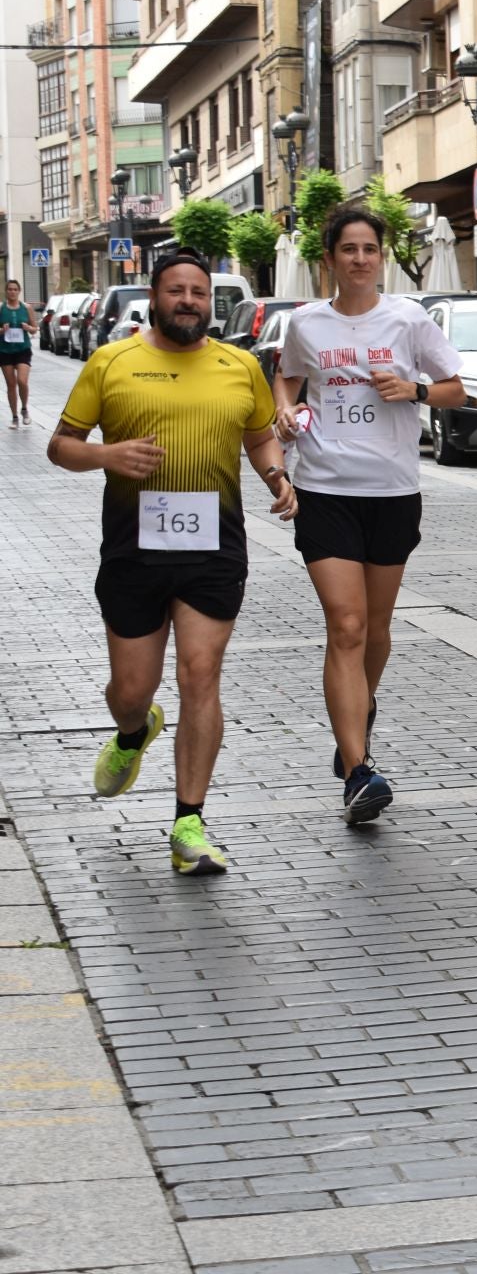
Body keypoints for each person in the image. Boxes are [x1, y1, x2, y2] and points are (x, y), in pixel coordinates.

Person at [48, 248, 297, 874]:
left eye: (198, 292)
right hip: (134, 544)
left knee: (200, 674)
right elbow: (60, 447)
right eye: (176, 291)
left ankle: (190, 822)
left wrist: (275, 475)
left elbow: (260, 433)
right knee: (133, 690)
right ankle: (134, 730)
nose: (188, 301)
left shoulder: (239, 365)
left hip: (215, 542)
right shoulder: (112, 362)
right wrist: (109, 457)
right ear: (154, 298)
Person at [272, 206, 465, 825]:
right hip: (325, 488)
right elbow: (287, 378)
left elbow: (459, 389)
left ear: (381, 258)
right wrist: (286, 412)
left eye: (369, 249)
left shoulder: (409, 319)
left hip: (392, 490)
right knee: (347, 625)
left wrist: (414, 391)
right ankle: (358, 771)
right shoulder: (306, 323)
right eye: (348, 249)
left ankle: (357, 710)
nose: (359, 259)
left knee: (376, 630)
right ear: (328, 259)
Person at [1, 279, 37, 427]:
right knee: (11, 384)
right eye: (10, 289)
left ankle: (24, 408)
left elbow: (35, 328)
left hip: (23, 349)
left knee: (22, 381)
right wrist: (3, 331)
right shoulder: (1, 308)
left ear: (19, 291)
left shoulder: (26, 308)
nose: (12, 292)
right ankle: (15, 417)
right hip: (5, 350)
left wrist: (28, 328)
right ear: (6, 291)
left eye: (15, 289)